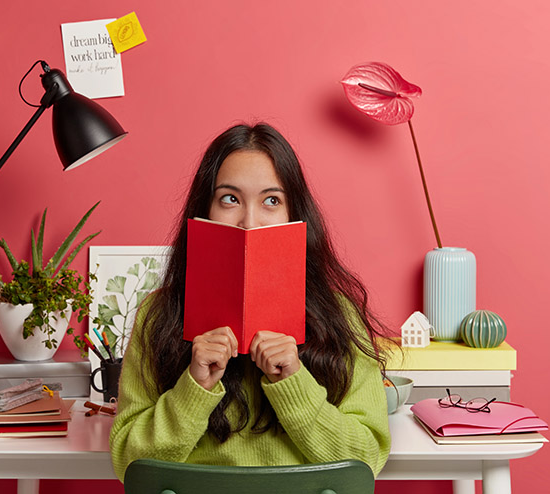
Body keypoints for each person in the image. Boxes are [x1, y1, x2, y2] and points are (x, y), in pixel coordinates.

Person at [109, 122, 393, 481]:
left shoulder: (341, 316)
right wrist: (195, 386)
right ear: (204, 209)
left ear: (294, 214)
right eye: (229, 199)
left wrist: (292, 380)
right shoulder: (158, 315)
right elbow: (128, 462)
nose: (249, 222)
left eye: (271, 201)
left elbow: (365, 459)